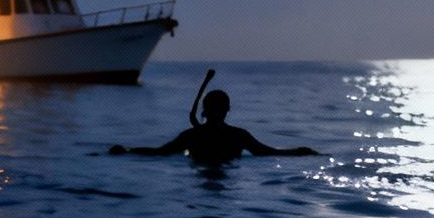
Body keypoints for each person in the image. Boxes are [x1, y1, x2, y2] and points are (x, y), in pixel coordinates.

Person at [107, 90, 318, 165]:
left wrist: (127, 150)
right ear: (228, 110)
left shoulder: (192, 135)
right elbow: (267, 154)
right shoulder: (237, 135)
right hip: (229, 171)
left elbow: (160, 153)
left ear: (204, 112)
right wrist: (299, 152)